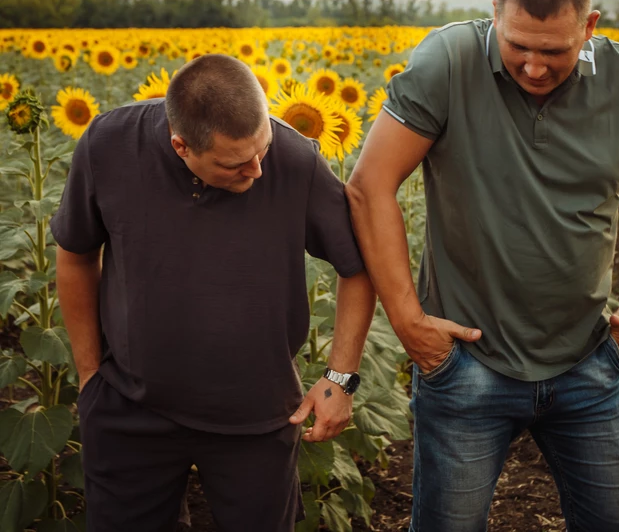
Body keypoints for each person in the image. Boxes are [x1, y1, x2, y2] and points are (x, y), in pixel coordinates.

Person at [346, 0, 619, 532]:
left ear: (590, 27)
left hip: (588, 363)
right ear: (494, 17)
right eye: (516, 45)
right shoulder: (449, 62)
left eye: (553, 50)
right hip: (465, 367)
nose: (532, 66)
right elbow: (368, 185)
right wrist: (409, 324)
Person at [52, 54, 376, 532]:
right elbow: (76, 253)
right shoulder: (108, 145)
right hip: (130, 410)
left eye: (262, 150)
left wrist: (340, 377)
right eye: (237, 165)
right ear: (181, 146)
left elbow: (358, 268)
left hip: (258, 419)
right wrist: (88, 378)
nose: (259, 171)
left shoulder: (292, 158)